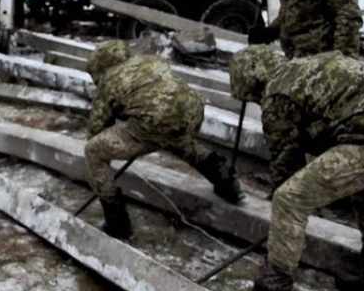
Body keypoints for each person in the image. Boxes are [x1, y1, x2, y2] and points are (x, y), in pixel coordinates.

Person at [229, 46, 364, 291]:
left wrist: (282, 220)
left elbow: (285, 162)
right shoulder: (299, 68)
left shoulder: (277, 92)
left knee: (290, 199)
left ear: (253, 79)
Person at [84, 41, 244, 240]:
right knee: (174, 138)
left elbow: (96, 128)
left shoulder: (109, 79)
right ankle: (227, 183)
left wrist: (112, 121)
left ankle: (117, 223)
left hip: (155, 119)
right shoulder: (149, 61)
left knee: (93, 151)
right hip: (193, 110)